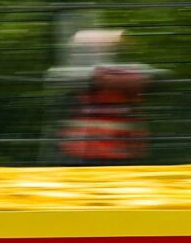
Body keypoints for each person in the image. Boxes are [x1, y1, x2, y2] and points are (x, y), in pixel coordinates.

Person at [47, 28, 160, 164]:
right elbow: (58, 78)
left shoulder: (130, 76)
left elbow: (152, 79)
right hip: (85, 153)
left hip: (118, 152)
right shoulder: (79, 77)